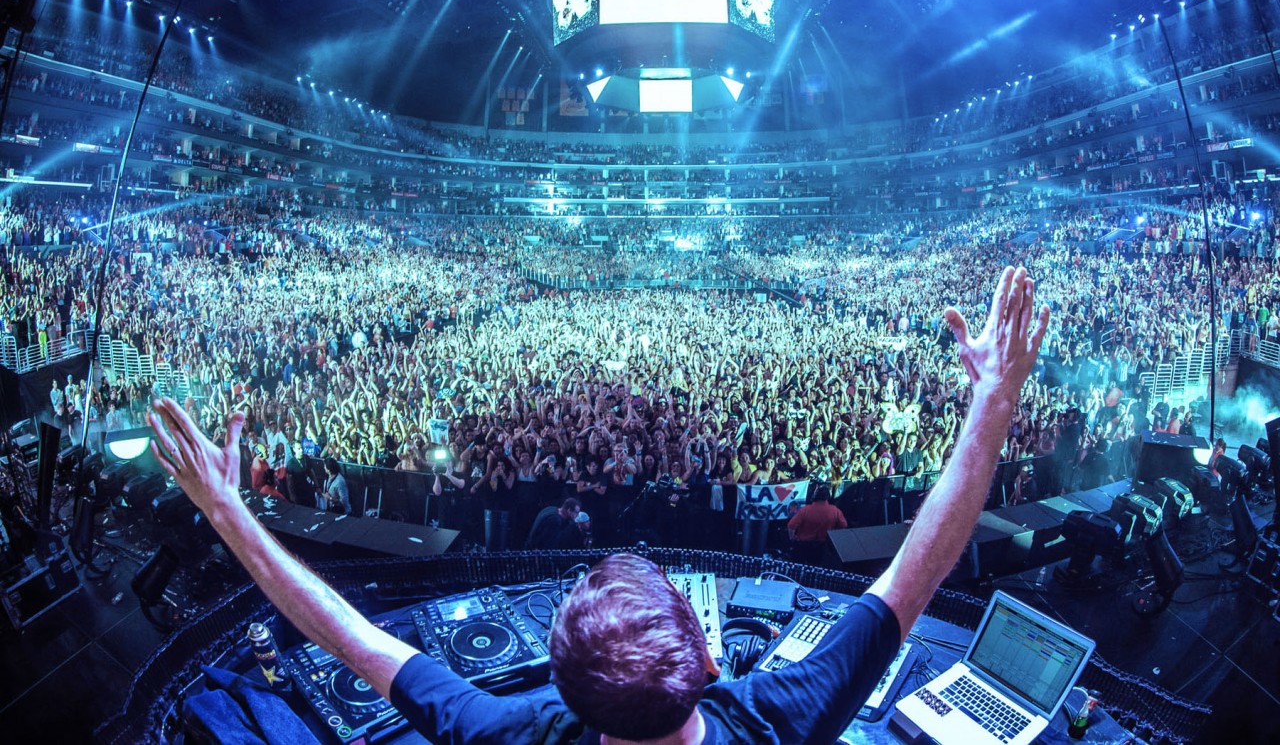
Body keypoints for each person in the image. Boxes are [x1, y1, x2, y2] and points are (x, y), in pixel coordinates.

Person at [146, 265, 1048, 745]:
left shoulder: (506, 729)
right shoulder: (782, 716)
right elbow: (920, 567)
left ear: (562, 684)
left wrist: (230, 511)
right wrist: (992, 404)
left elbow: (349, 634)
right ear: (708, 657)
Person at [786, 484, 847, 565]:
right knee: (816, 567)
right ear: (828, 497)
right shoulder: (835, 511)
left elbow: (791, 525)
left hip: (803, 545)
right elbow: (843, 525)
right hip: (823, 546)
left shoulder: (806, 510)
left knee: (799, 566)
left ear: (815, 496)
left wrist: (792, 538)